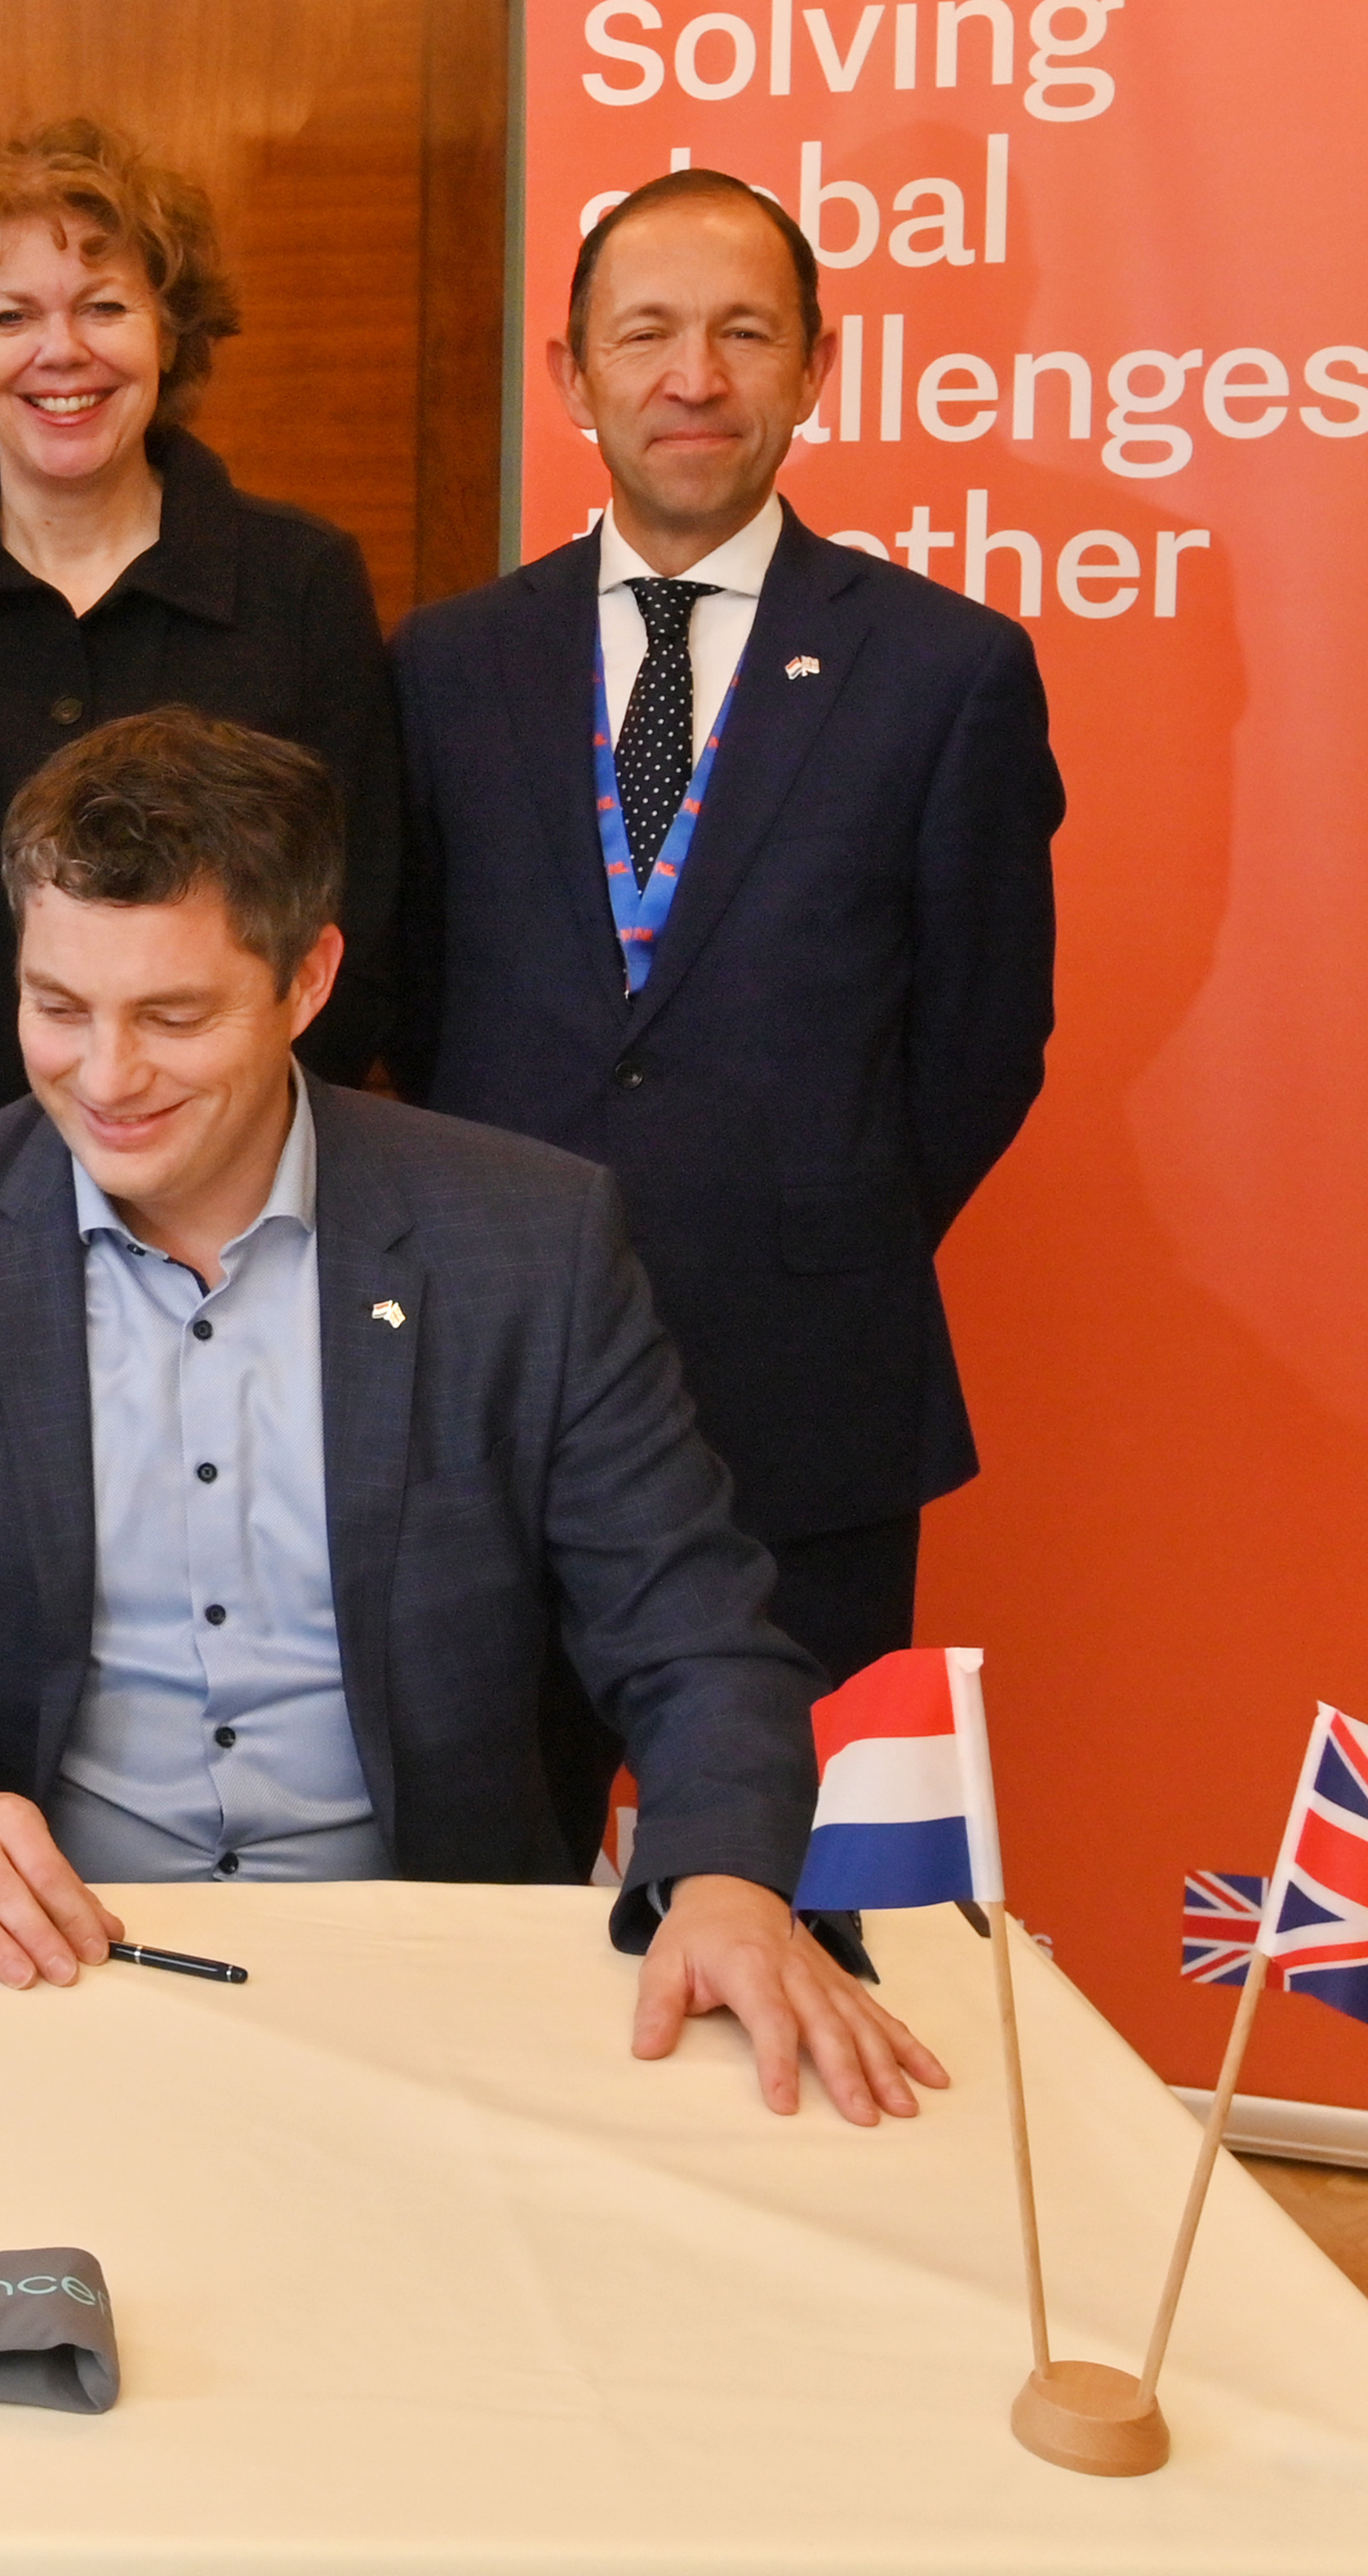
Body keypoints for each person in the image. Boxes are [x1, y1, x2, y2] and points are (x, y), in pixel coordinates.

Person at [0, 710, 946, 2123]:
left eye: (172, 1017)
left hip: (433, 1983)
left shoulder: (526, 1236)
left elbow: (695, 1634)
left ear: (307, 978)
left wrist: (723, 1879)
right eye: (57, 1007)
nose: (104, 1077)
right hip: (42, 1973)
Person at [390, 167, 1062, 1742]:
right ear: (573, 376)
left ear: (816, 368)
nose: (694, 377)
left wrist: (817, 1220)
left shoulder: (946, 669)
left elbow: (982, 1041)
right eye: (647, 334)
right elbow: (409, 1005)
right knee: (497, 1852)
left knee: (785, 1845)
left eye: (744, 332)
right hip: (499, 1376)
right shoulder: (448, 663)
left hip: (812, 1386)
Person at [0, 117, 396, 1166]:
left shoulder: (301, 583)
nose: (62, 352)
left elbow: (357, 925)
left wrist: (209, 1164)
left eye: (103, 307)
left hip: (230, 1191)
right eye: (11, 315)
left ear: (166, 335)